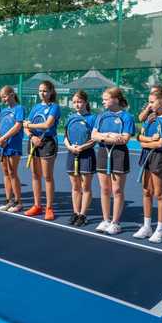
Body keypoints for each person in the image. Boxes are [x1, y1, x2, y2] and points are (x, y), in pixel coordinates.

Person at [133, 89, 162, 243]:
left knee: (158, 193)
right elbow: (139, 137)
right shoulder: (151, 117)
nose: (149, 105)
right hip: (146, 154)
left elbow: (161, 143)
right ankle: (146, 226)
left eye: (152, 102)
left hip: (160, 156)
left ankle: (160, 229)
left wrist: (146, 142)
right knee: (146, 191)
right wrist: (148, 140)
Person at [91, 87, 135, 235]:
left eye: (106, 99)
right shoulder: (101, 116)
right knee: (104, 189)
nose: (103, 101)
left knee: (117, 190)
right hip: (103, 153)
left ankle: (115, 222)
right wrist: (108, 135)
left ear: (115, 99)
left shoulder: (127, 117)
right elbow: (94, 136)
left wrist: (104, 136)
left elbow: (124, 139)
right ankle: (105, 220)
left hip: (119, 154)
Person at [23, 81, 61, 220]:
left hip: (48, 142)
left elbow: (47, 124)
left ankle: (49, 208)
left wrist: (29, 125)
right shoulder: (35, 107)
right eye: (40, 91)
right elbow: (25, 127)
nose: (42, 93)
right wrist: (32, 136)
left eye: (45, 91)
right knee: (35, 175)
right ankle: (37, 205)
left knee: (47, 176)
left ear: (51, 92)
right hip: (33, 141)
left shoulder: (54, 107)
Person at [63, 90, 97, 227]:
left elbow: (94, 139)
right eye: (75, 102)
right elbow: (66, 137)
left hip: (86, 155)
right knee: (75, 186)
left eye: (80, 102)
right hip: (71, 153)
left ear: (85, 102)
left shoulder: (92, 118)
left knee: (85, 186)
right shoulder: (70, 117)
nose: (77, 104)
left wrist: (82, 147)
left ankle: (83, 214)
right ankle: (76, 213)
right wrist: (70, 147)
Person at [0, 85, 25, 213]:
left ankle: (18, 202)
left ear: (12, 94)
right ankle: (9, 200)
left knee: (13, 173)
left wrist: (4, 138)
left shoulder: (19, 108)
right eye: (2, 98)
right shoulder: (2, 110)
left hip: (13, 146)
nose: (4, 99)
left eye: (5, 96)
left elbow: (18, 126)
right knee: (6, 173)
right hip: (1, 146)